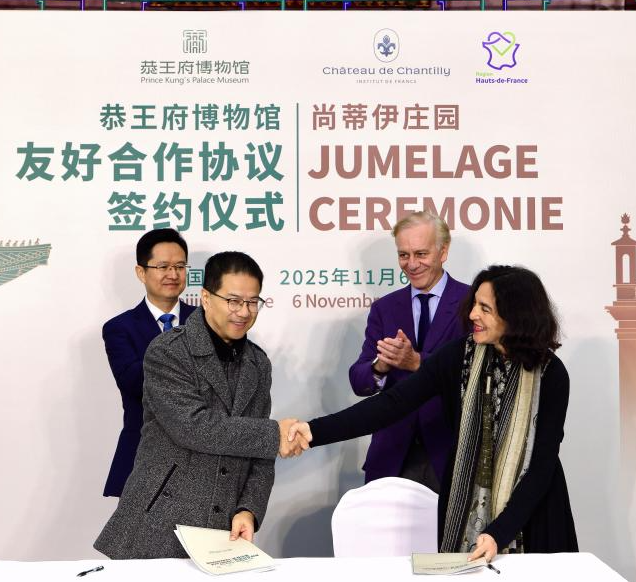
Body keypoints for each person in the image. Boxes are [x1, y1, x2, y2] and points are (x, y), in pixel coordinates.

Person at [295, 265, 577, 561]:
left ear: (516, 315)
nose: (472, 315)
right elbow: (391, 404)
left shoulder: (552, 375)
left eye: (485, 309)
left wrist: (498, 532)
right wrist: (313, 431)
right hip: (465, 508)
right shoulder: (458, 356)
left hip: (533, 516)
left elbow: (541, 465)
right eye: (474, 305)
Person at [95, 251, 307, 559]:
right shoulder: (168, 351)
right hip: (157, 523)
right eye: (233, 301)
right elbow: (195, 427)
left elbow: (260, 455)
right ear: (206, 298)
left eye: (252, 302)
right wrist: (275, 435)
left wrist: (248, 509)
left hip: (222, 530)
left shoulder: (258, 363)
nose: (244, 312)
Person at [348, 212, 469, 492]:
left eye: (421, 254)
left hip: (450, 456)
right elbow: (359, 380)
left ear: (443, 251)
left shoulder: (471, 303)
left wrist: (417, 363)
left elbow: (475, 374)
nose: (411, 264)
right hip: (392, 458)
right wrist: (380, 366)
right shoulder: (385, 308)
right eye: (403, 255)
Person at [101, 229, 197, 497]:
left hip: (199, 461)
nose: (173, 274)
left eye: (180, 266)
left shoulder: (207, 323)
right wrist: (191, 368)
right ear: (141, 272)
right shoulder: (119, 328)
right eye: (163, 267)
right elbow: (135, 383)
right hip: (143, 458)